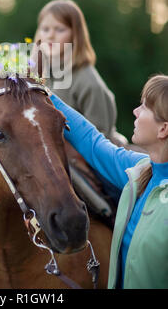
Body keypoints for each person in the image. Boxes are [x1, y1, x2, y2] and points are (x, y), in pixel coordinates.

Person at [50, 74, 168, 289]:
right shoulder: (140, 168)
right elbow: (92, 142)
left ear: (163, 129)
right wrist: (45, 95)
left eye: (144, 107)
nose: (135, 111)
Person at [34, 0, 126, 203]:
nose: (50, 35)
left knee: (108, 204)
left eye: (59, 29)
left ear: (75, 35)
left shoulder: (88, 80)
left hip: (90, 161)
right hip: (51, 157)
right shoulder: (39, 74)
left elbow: (99, 138)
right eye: (45, 28)